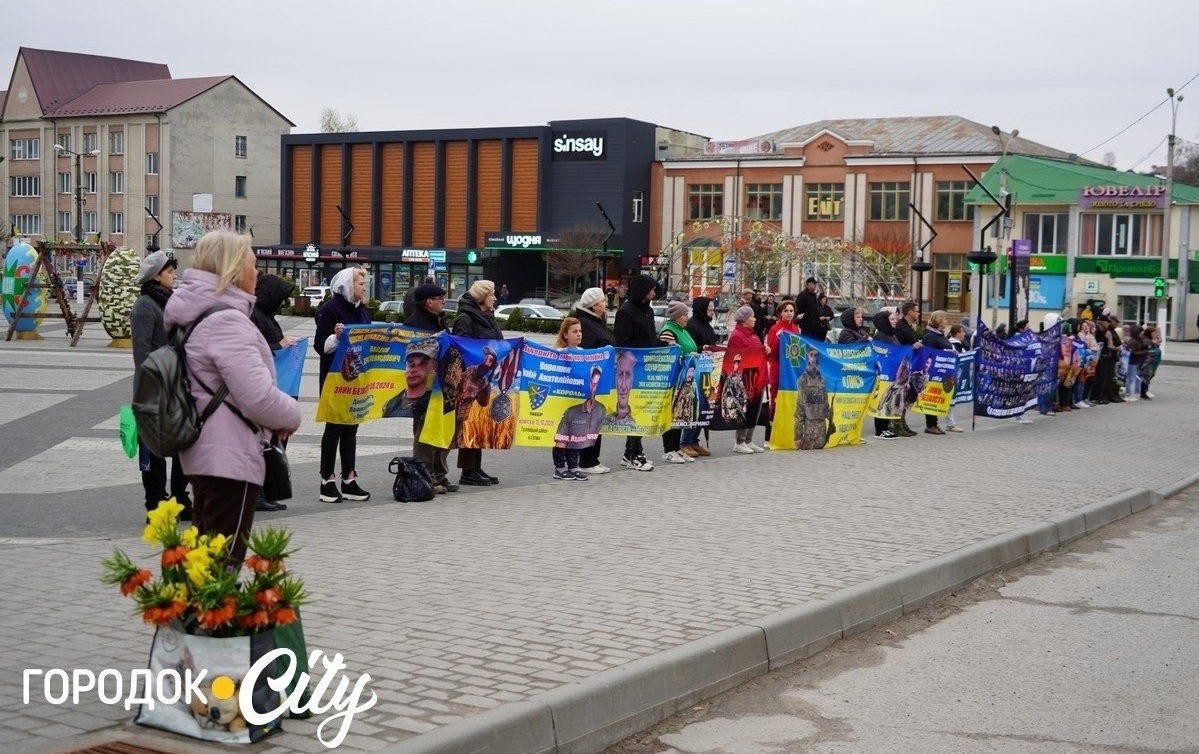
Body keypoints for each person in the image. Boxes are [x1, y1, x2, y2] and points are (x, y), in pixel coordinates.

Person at [162, 230, 302, 564]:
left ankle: (184, 615)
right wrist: (293, 414)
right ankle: (192, 617)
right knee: (221, 566)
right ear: (236, 270)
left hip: (208, 449)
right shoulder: (226, 321)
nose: (258, 273)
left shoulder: (199, 313)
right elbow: (257, 397)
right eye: (255, 265)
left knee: (204, 561)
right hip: (229, 455)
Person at [131, 250, 193, 520]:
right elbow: (142, 354)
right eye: (169, 272)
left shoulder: (170, 302)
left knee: (183, 447)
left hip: (178, 388)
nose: (174, 275)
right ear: (156, 276)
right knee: (154, 453)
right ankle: (155, 504)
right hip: (154, 391)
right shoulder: (145, 305)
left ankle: (180, 499)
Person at [314, 267, 374, 503]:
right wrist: (337, 338)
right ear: (348, 286)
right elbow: (320, 345)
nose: (363, 287)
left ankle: (348, 479)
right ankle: (326, 481)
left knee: (351, 428)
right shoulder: (331, 309)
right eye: (360, 283)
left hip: (356, 378)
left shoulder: (363, 311)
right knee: (334, 429)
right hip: (335, 378)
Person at [249, 273, 300, 512]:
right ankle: (258, 494)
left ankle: (267, 491)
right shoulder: (255, 316)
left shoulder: (266, 315)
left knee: (273, 442)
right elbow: (253, 349)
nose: (282, 303)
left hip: (276, 387)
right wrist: (279, 345)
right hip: (265, 389)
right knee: (263, 443)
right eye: (280, 298)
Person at [451, 279, 504, 486]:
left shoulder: (487, 316)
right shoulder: (466, 318)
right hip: (470, 380)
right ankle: (467, 470)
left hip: (485, 379)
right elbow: (463, 347)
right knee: (468, 423)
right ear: (482, 297)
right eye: (492, 294)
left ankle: (476, 466)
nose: (495, 298)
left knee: (479, 423)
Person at [614, 274, 659, 471]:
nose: (654, 293)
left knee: (642, 410)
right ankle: (634, 453)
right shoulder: (626, 311)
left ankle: (630, 452)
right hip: (632, 367)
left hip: (647, 366)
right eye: (651, 289)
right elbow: (622, 342)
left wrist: (662, 346)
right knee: (635, 409)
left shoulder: (647, 311)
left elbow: (650, 336)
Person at [552, 318, 604, 481]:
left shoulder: (582, 352)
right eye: (574, 331)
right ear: (565, 334)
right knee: (562, 438)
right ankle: (560, 468)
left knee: (576, 436)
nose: (579, 334)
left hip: (578, 403)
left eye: (580, 331)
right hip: (564, 402)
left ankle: (573, 467)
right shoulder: (560, 353)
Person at [572, 287, 616, 474]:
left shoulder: (596, 321)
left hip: (601, 381)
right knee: (590, 418)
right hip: (591, 381)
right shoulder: (586, 323)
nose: (606, 304)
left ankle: (592, 458)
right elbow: (584, 352)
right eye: (603, 301)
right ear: (594, 305)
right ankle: (586, 459)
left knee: (597, 418)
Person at [657, 300, 698, 464]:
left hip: (685, 381)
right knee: (671, 414)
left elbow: (690, 347)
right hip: (673, 379)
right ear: (676, 317)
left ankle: (676, 448)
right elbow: (669, 353)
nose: (687, 318)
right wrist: (685, 355)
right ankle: (668, 449)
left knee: (680, 414)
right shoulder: (668, 331)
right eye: (684, 315)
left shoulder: (682, 330)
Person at [680, 296, 719, 457]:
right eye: (709, 310)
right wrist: (701, 348)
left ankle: (694, 440)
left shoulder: (706, 325)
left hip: (708, 371)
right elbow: (690, 347)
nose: (712, 313)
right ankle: (685, 441)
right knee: (694, 407)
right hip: (695, 372)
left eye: (712, 310)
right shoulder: (692, 325)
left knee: (703, 408)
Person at [726, 305, 766, 453]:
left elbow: (757, 352)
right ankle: (739, 441)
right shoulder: (737, 335)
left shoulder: (752, 334)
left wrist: (764, 349)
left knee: (755, 409)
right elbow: (734, 357)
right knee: (745, 409)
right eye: (752, 316)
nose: (755, 319)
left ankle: (749, 439)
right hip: (745, 378)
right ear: (744, 320)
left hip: (757, 376)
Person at [765, 300, 800, 437]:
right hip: (778, 369)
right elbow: (771, 354)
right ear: (780, 313)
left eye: (791, 311)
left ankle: (787, 429)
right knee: (775, 400)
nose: (789, 313)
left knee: (791, 399)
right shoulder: (775, 329)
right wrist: (778, 339)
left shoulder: (796, 329)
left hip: (792, 371)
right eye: (786, 311)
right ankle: (770, 434)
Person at [919, 310, 953, 435]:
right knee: (932, 397)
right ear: (938, 320)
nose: (946, 321)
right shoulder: (929, 336)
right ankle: (930, 424)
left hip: (942, 371)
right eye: (944, 319)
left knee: (938, 396)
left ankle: (935, 423)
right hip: (933, 371)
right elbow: (928, 353)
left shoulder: (940, 334)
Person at [870, 309, 901, 440]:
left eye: (895, 319)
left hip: (893, 373)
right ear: (885, 322)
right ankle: (880, 430)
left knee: (890, 401)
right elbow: (879, 354)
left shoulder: (892, 335)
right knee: (883, 400)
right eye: (892, 319)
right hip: (884, 374)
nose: (896, 321)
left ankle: (886, 427)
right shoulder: (880, 336)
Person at [893, 301, 922, 435]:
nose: (918, 313)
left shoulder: (910, 327)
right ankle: (896, 423)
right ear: (910, 312)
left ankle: (902, 421)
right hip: (901, 367)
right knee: (900, 395)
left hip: (910, 366)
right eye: (916, 311)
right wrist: (912, 346)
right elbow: (898, 347)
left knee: (906, 395)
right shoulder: (900, 327)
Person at [796, 345, 831, 450]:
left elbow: (826, 405)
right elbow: (799, 410)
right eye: (811, 355)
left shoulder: (822, 380)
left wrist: (832, 420)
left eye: (816, 355)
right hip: (808, 434)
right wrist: (797, 436)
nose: (814, 358)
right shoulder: (803, 380)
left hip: (822, 436)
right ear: (807, 357)